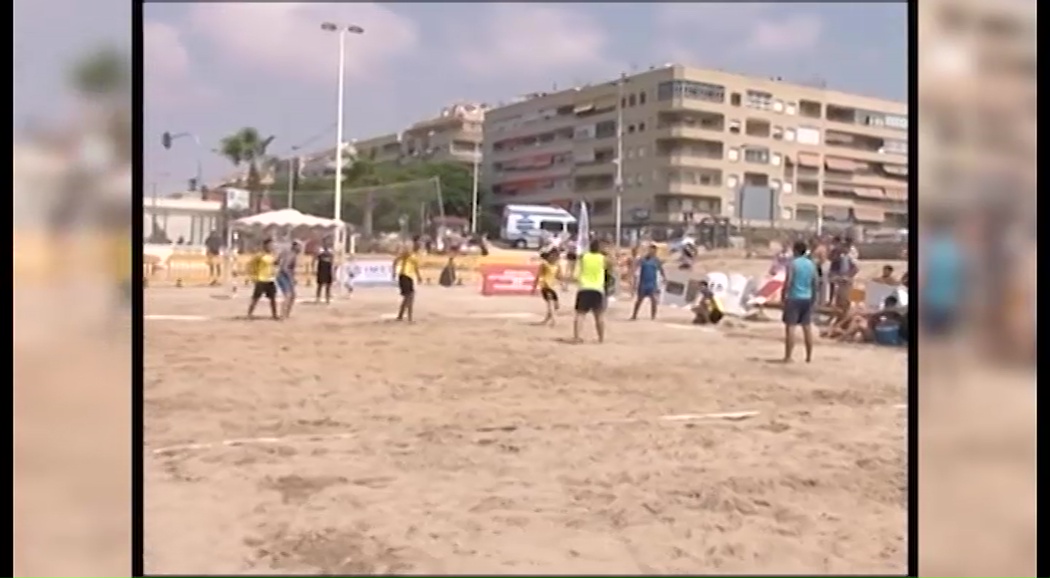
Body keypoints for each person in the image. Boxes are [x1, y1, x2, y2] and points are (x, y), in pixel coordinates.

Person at [781, 240, 820, 362]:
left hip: (794, 297)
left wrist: (783, 295)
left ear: (795, 250)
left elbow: (789, 281)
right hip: (807, 297)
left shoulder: (793, 264)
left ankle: (788, 356)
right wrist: (814, 297)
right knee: (807, 328)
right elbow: (815, 282)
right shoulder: (811, 264)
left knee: (791, 328)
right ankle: (808, 356)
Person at [572, 239, 608, 343]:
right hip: (597, 288)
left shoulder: (584, 256)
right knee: (599, 316)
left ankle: (576, 337)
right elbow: (612, 265)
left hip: (584, 287)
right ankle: (601, 338)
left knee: (580, 314)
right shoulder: (603, 259)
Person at [246, 239, 280, 320]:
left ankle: (274, 315)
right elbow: (251, 265)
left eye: (272, 245)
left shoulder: (272, 255)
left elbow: (274, 264)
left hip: (270, 279)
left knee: (273, 298)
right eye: (269, 245)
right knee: (256, 298)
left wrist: (277, 261)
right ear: (265, 246)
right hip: (261, 279)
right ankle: (249, 314)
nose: (271, 247)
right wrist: (253, 276)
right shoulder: (260, 255)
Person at [630, 244, 666, 320]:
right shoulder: (643, 259)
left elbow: (661, 269)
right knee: (639, 300)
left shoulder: (656, 260)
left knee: (654, 300)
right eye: (650, 250)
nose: (651, 252)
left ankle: (653, 317)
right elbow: (635, 265)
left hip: (652, 284)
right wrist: (633, 275)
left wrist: (664, 277)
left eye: (653, 250)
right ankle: (634, 315)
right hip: (643, 283)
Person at [392, 239, 423, 323]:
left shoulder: (413, 256)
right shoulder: (408, 255)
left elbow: (416, 268)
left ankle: (401, 316)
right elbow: (396, 260)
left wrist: (419, 276)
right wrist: (394, 272)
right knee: (410, 296)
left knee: (408, 297)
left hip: (408, 277)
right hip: (405, 276)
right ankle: (409, 318)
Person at [531, 250, 561, 326]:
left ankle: (546, 320)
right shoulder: (544, 265)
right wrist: (534, 287)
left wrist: (562, 283)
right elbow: (538, 275)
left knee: (556, 306)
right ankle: (553, 320)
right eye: (552, 256)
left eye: (556, 257)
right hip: (545, 286)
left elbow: (559, 276)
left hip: (553, 287)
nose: (554, 258)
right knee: (550, 303)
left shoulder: (557, 266)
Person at [275, 240, 302, 319]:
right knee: (288, 295)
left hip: (284, 275)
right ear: (295, 247)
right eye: (299, 247)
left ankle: (286, 314)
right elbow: (285, 268)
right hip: (284, 276)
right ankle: (283, 315)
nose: (301, 249)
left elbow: (276, 262)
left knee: (293, 295)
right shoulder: (291, 254)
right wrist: (291, 278)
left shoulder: (286, 252)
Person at [314, 240, 335, 304]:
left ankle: (326, 298)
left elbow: (333, 263)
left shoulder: (330, 254)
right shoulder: (320, 254)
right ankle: (319, 298)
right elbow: (315, 260)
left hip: (327, 271)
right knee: (320, 285)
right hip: (321, 270)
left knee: (327, 286)